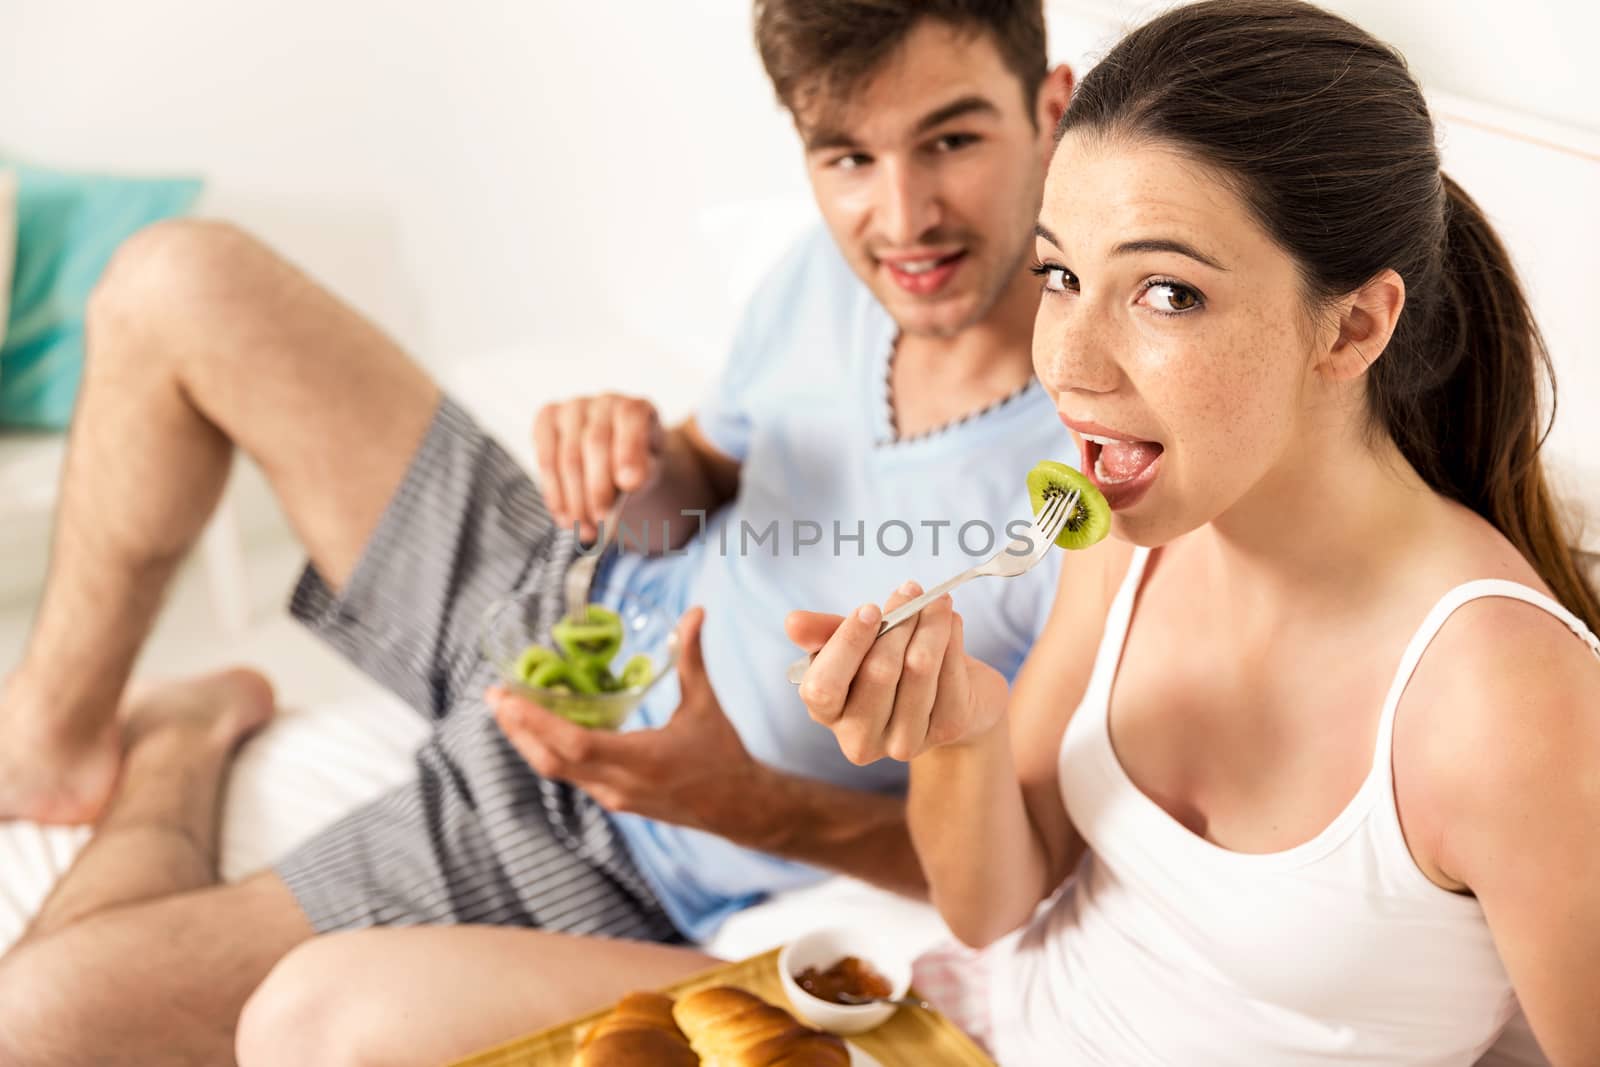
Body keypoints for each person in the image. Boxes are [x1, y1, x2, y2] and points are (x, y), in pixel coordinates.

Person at [0, 2, 1078, 1064]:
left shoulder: (1088, 491)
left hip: (608, 836)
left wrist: (748, 805)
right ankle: (51, 739)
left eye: (951, 138)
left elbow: (1007, 869)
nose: (903, 217)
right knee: (176, 279)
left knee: (36, 1020)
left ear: (1049, 108)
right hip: (562, 608)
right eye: (846, 157)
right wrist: (643, 462)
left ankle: (181, 744)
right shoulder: (823, 278)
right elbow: (707, 476)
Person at [789, 1, 1600, 1064]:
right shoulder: (1131, 533)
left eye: (1165, 292)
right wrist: (961, 734)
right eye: (1061, 276)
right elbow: (991, 909)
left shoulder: (1506, 701)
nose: (1070, 366)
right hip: (973, 1029)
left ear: (1354, 324)